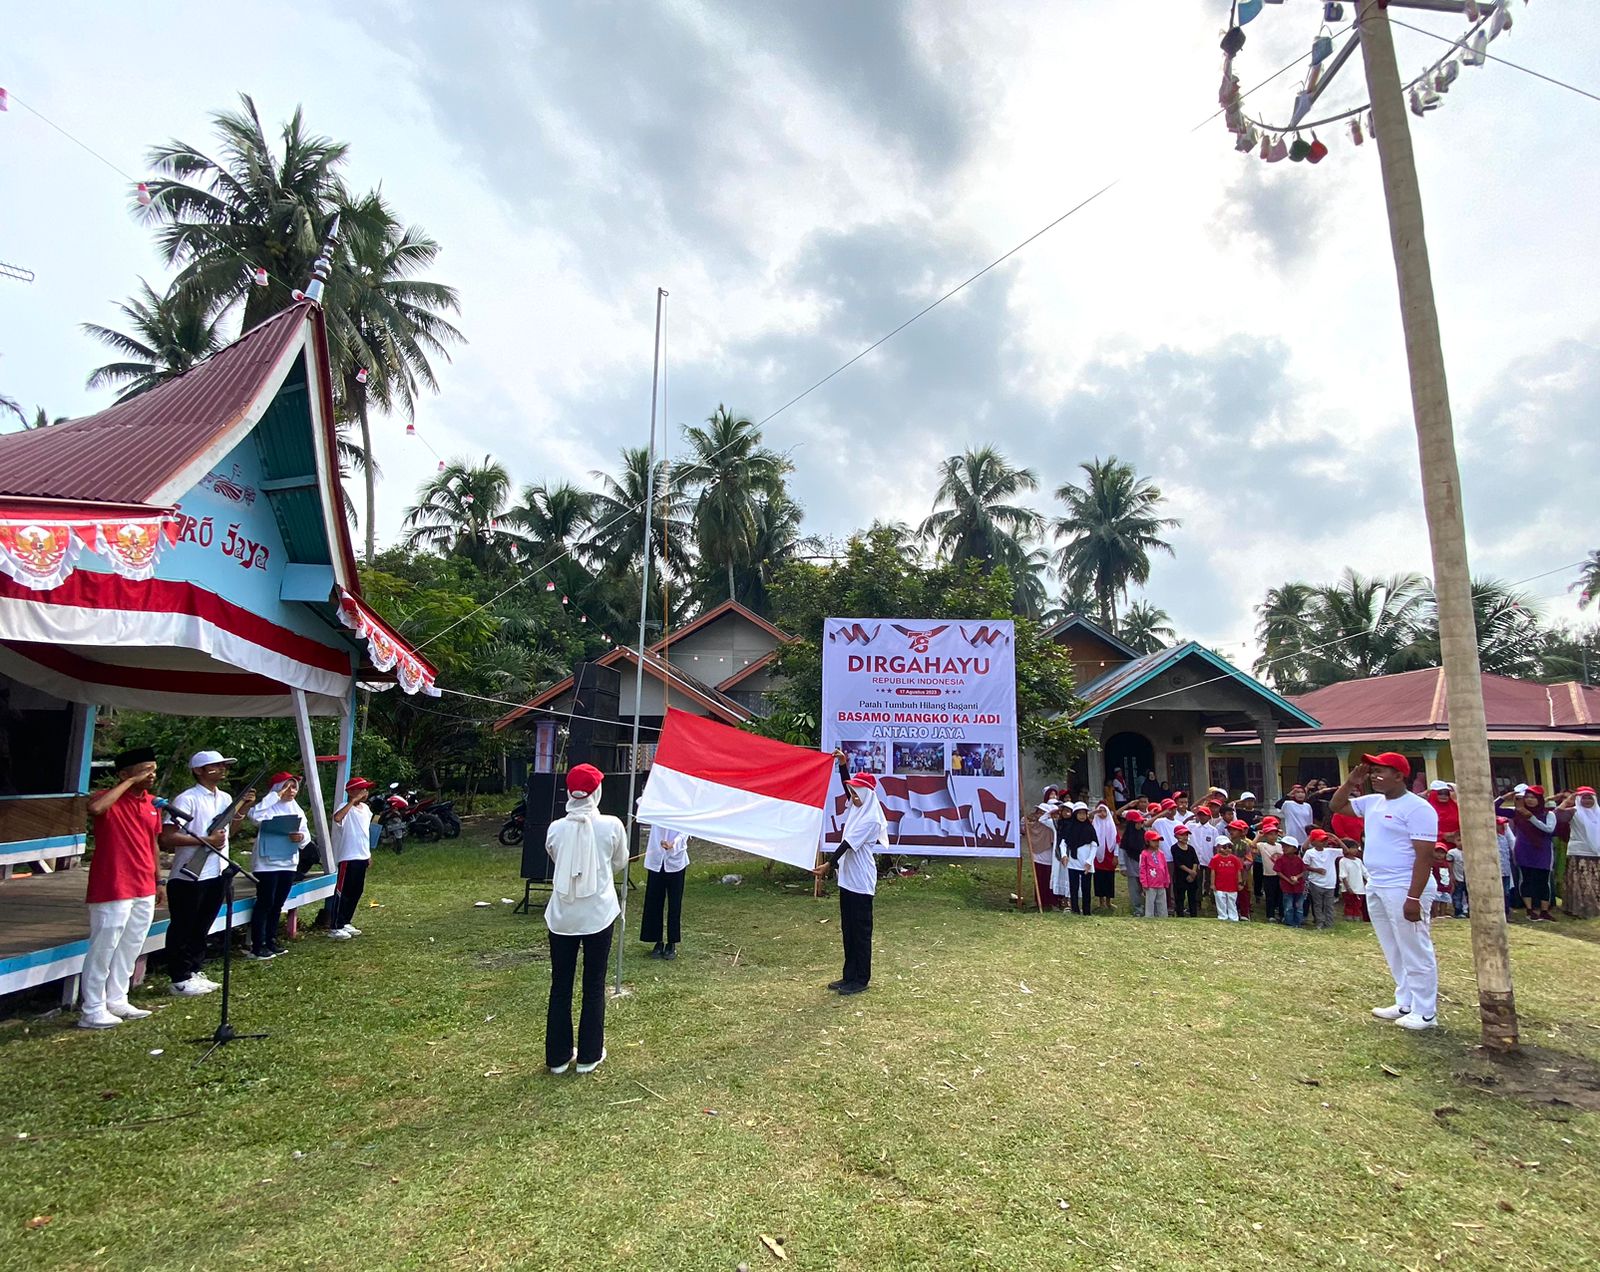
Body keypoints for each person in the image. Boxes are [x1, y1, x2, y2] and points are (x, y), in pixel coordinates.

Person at [1331, 753, 1441, 1031]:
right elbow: (1336, 805)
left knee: (1414, 947)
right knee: (1393, 946)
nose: (1374, 776)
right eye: (1372, 771)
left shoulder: (1418, 808)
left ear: (1399, 776)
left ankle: (1425, 1011)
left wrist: (1413, 897)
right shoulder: (1373, 802)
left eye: (1381, 771)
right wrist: (1351, 782)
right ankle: (1405, 1001)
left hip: (1404, 885)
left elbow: (1425, 857)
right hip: (1377, 883)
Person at [542, 764, 628, 1073]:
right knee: (593, 984)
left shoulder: (555, 828)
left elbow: (556, 856)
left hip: (562, 917)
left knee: (560, 984)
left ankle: (557, 1057)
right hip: (598, 915)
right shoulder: (612, 825)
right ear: (597, 792)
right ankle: (589, 1055)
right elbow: (620, 861)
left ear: (570, 793)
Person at [79, 748, 163, 1028]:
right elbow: (95, 810)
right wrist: (129, 782)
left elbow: (153, 843)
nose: (151, 775)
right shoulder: (106, 798)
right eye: (145, 770)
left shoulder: (152, 803)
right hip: (113, 883)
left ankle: (118, 998)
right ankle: (92, 1008)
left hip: (144, 883)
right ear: (125, 774)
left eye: (153, 769)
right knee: (104, 946)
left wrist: (158, 879)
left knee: (131, 944)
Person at [160, 750, 255, 996]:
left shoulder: (225, 797)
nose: (222, 769)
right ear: (198, 770)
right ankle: (179, 977)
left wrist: (243, 808)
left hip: (217, 870)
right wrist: (206, 840)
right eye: (215, 766)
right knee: (184, 926)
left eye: (224, 765)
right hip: (189, 874)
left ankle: (194, 969)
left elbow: (229, 832)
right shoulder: (187, 799)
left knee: (203, 926)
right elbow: (168, 837)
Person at [815, 755, 887, 996]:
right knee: (848, 930)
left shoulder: (871, 819)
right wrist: (843, 765)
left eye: (857, 794)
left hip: (861, 882)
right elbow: (849, 790)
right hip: (848, 879)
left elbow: (847, 844)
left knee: (861, 932)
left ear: (866, 795)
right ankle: (849, 975)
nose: (853, 797)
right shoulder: (858, 807)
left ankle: (861, 978)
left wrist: (828, 864)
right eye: (852, 793)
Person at [246, 772, 308, 958]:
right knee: (265, 902)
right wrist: (275, 796)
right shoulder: (268, 807)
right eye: (287, 787)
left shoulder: (296, 809)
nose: (291, 791)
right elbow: (254, 816)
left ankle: (271, 940)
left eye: (294, 787)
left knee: (278, 903)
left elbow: (305, 834)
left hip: (288, 862)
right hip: (268, 863)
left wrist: (300, 837)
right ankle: (258, 944)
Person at [1495, 785, 1557, 921]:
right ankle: (1529, 910)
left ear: (1539, 799)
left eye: (1533, 797)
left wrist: (1531, 818)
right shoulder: (1517, 812)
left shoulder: (1548, 814)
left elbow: (1548, 829)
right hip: (1523, 850)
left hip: (1542, 851)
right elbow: (1492, 808)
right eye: (1527, 797)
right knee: (1526, 879)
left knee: (1543, 880)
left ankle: (1544, 910)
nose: (1530, 800)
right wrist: (1505, 797)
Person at [330, 777, 376, 939]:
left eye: (366, 790)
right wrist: (352, 802)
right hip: (348, 856)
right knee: (344, 891)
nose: (365, 793)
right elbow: (337, 818)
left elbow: (364, 833)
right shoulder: (345, 807)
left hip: (361, 855)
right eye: (361, 789)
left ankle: (346, 921)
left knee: (357, 890)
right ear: (351, 792)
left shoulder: (366, 809)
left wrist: (368, 854)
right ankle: (335, 925)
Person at [639, 822, 689, 959]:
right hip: (656, 858)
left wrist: (674, 843)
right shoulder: (656, 810)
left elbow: (686, 829)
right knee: (654, 901)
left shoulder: (682, 812)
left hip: (676, 861)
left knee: (674, 904)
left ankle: (672, 942)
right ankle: (657, 940)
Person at [1555, 787, 1600, 918]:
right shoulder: (1574, 811)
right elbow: (1556, 816)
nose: (1587, 801)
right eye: (1584, 798)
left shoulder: (1598, 812)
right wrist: (1567, 801)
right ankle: (1583, 909)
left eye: (1590, 798)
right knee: (1583, 883)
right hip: (1580, 853)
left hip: (1597, 854)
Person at [1062, 804, 1097, 916]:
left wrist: (1089, 861)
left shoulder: (1089, 828)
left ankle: (1087, 911)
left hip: (1086, 863)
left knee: (1086, 888)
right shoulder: (1070, 828)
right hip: (1073, 862)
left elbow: (1094, 845)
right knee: (1074, 887)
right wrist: (1064, 855)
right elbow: (1063, 843)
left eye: (1084, 813)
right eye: (1080, 813)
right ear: (1075, 814)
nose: (1082, 816)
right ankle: (1075, 909)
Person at [1303, 829, 1340, 930]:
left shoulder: (1331, 851)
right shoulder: (1310, 852)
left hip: (1330, 883)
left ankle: (1329, 923)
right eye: (1321, 840)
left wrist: (1337, 839)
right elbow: (1304, 865)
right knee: (1318, 904)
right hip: (1315, 882)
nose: (1324, 842)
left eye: (1325, 840)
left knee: (1329, 905)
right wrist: (1316, 870)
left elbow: (1346, 851)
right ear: (1313, 842)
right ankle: (1319, 922)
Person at [1031, 801, 1063, 911]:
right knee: (1039, 880)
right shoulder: (1034, 825)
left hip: (1049, 858)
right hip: (1037, 857)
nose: (1039, 814)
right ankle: (1039, 901)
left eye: (1042, 812)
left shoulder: (1051, 825)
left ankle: (1052, 902)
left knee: (1049, 880)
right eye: (1038, 812)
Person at [1091, 803, 1120, 913]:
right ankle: (1101, 901)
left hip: (1109, 855)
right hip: (1097, 856)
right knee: (1099, 878)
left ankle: (1108, 901)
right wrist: (1094, 813)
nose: (1102, 813)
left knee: (1109, 878)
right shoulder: (1094, 824)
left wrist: (1116, 856)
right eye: (1100, 811)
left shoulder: (1112, 825)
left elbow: (1116, 842)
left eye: (1104, 811)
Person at [1224, 820, 1255, 921]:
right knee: (1229, 893)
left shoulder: (1245, 845)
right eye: (1230, 829)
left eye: (1234, 830)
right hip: (1228, 872)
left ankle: (1244, 913)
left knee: (1243, 893)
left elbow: (1249, 860)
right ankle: (1231, 912)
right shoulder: (1226, 843)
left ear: (1241, 832)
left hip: (1242, 873)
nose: (1231, 832)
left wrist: (1241, 866)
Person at [1119, 808, 1148, 916]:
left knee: (1146, 888)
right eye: (1138, 822)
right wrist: (1122, 866)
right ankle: (1138, 909)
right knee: (1134, 889)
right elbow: (1122, 851)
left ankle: (1148, 908)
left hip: (1144, 866)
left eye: (1141, 822)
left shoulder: (1143, 834)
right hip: (1131, 866)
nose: (1140, 824)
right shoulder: (1127, 837)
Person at [1275, 837, 1308, 928]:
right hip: (1286, 887)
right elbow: (1278, 872)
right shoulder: (1280, 859)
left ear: (1295, 849)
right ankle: (1289, 922)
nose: (1284, 848)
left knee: (1299, 906)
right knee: (1288, 906)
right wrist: (1288, 880)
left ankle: (1298, 922)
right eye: (1283, 846)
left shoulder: (1298, 860)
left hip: (1299, 887)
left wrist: (1297, 877)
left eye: (1287, 846)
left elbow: (1304, 871)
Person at [1256, 818, 1284, 922]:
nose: (1273, 837)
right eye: (1270, 834)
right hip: (1268, 874)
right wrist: (1259, 836)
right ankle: (1270, 915)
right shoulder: (1262, 845)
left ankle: (1281, 914)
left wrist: (1283, 835)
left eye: (1275, 834)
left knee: (1280, 896)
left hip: (1280, 875)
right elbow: (1252, 845)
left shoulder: (1280, 846)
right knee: (1270, 896)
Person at [1170, 825, 1201, 917]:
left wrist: (1193, 872)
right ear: (1176, 836)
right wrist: (1189, 871)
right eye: (1182, 835)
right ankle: (1180, 914)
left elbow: (1195, 861)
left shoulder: (1191, 848)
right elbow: (1178, 863)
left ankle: (1193, 915)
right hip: (1180, 876)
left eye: (1186, 835)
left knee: (1192, 897)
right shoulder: (1174, 848)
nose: (1185, 837)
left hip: (1192, 876)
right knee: (1180, 897)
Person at [1210, 836, 1242, 922]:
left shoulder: (1235, 859)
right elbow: (1213, 872)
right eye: (1224, 847)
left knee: (1232, 901)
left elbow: (1238, 871)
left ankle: (1233, 917)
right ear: (1218, 847)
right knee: (1220, 901)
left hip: (1232, 885)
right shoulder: (1215, 859)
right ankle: (1222, 916)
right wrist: (1212, 884)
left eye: (1229, 846)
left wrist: (1240, 882)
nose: (1227, 849)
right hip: (1219, 885)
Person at [1139, 830, 1170, 917]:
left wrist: (1166, 880)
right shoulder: (1144, 854)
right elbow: (1142, 869)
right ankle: (1149, 917)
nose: (1157, 843)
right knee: (1150, 903)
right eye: (1154, 841)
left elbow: (1165, 867)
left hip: (1161, 883)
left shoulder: (1161, 853)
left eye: (1158, 841)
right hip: (1150, 884)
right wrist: (1144, 882)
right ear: (1147, 841)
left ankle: (1163, 917)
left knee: (1162, 902)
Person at [1338, 840, 1369, 922]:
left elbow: (1365, 872)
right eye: (1353, 848)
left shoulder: (1358, 861)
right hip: (1349, 888)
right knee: (1349, 904)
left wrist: (1369, 881)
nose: (1355, 850)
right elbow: (1343, 875)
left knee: (1358, 904)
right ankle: (1349, 918)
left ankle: (1356, 918)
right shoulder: (1343, 861)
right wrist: (1348, 887)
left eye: (1356, 848)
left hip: (1359, 887)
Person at [1495, 816, 1516, 918]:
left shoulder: (1505, 838)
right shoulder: (1493, 839)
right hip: (1495, 871)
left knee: (1506, 892)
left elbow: (1513, 844)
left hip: (1506, 870)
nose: (1502, 826)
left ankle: (1506, 912)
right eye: (1499, 824)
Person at [1429, 845, 1455, 919]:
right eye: (1437, 852)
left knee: (1444, 900)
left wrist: (1451, 883)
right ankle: (1435, 914)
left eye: (1442, 853)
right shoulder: (1432, 863)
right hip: (1437, 885)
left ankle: (1442, 914)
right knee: (1436, 900)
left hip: (1445, 885)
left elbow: (1450, 873)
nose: (1439, 855)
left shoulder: (1446, 863)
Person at [1445, 840, 1469, 918]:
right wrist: (1452, 875)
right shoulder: (1452, 852)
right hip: (1458, 877)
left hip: (1469, 879)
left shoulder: (1470, 852)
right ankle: (1458, 912)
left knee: (1470, 896)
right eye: (1459, 840)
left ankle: (1470, 911)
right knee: (1457, 896)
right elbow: (1450, 864)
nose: (1461, 842)